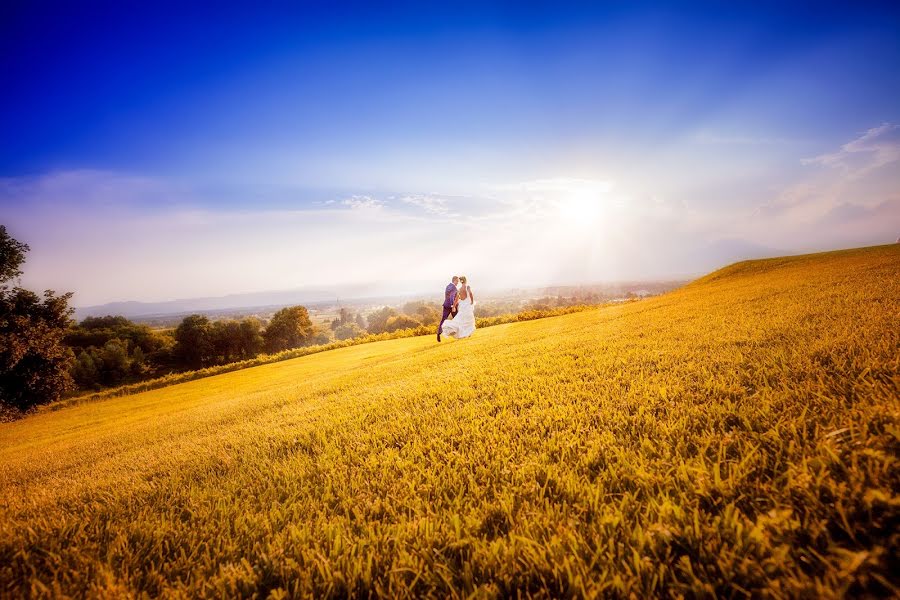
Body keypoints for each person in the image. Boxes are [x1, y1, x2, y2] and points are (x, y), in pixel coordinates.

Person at [440, 275, 476, 339]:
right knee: (468, 319)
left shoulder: (459, 289)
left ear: (461, 282)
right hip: (467, 304)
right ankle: (467, 332)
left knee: (461, 318)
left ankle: (463, 331)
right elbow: (470, 294)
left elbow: (456, 299)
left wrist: (453, 306)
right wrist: (472, 301)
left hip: (462, 305)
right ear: (465, 280)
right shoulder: (467, 287)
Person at [437, 276, 459, 342]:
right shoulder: (454, 287)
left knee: (443, 319)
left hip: (446, 305)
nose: (458, 282)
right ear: (454, 280)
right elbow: (452, 297)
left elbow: (447, 296)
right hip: (451, 306)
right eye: (457, 281)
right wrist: (453, 306)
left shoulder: (448, 286)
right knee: (457, 319)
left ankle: (438, 333)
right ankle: (460, 333)